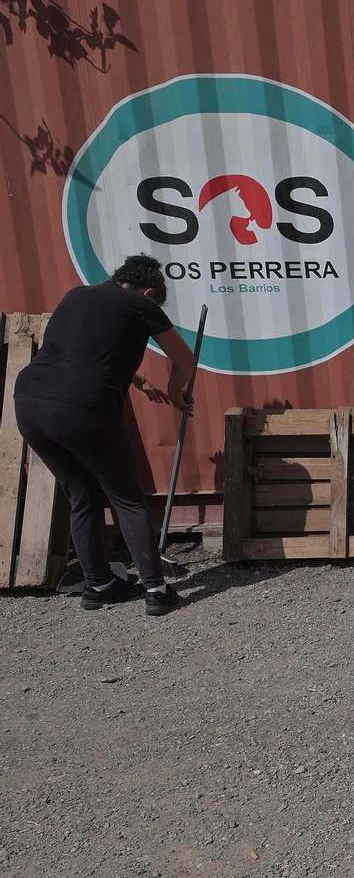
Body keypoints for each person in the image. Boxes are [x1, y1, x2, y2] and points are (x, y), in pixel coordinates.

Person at [12, 254, 196, 615]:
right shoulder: (141, 304)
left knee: (81, 494)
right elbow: (184, 359)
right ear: (148, 291)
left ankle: (98, 585)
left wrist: (140, 381)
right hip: (82, 406)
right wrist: (176, 393)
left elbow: (82, 354)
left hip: (29, 402)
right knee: (127, 497)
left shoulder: (76, 295)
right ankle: (157, 591)